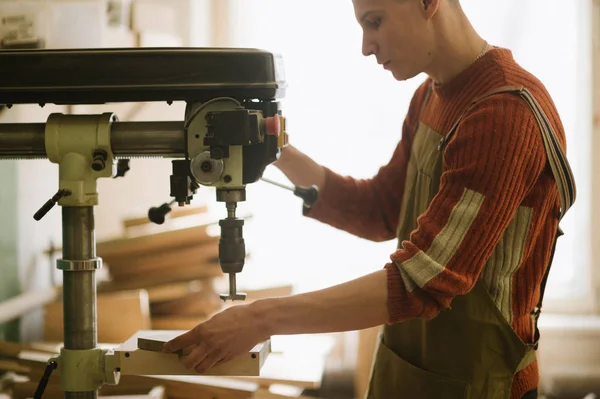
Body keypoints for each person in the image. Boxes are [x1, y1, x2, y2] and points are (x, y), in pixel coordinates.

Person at [161, 0, 576, 398]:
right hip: (411, 371)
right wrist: (272, 150)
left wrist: (259, 318)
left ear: (428, 2)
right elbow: (381, 210)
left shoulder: (502, 116)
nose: (365, 47)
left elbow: (422, 282)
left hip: (482, 384)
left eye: (374, 22)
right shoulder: (432, 95)